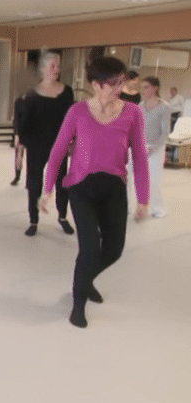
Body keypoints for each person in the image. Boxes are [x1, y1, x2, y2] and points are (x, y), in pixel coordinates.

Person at [39, 56, 149, 329]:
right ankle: (78, 303)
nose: (117, 88)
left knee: (114, 248)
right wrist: (48, 189)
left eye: (120, 82)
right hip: (81, 187)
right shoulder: (77, 112)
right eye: (112, 83)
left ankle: (85, 280)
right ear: (96, 85)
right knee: (89, 247)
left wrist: (144, 198)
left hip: (113, 187)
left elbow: (140, 157)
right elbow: (58, 151)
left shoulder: (133, 113)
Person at [18, 50, 75, 237]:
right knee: (34, 183)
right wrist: (22, 143)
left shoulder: (66, 91)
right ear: (42, 69)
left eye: (58, 66)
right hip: (36, 145)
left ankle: (62, 217)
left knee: (62, 183)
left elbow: (71, 118)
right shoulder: (32, 93)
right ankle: (33, 220)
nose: (57, 69)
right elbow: (24, 120)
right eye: (52, 66)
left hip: (59, 145)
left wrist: (74, 139)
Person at [139, 76, 171, 218]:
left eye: (146, 87)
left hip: (155, 148)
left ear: (155, 88)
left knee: (154, 180)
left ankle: (159, 209)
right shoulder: (140, 106)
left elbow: (165, 133)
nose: (143, 90)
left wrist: (153, 149)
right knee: (127, 177)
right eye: (142, 87)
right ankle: (125, 206)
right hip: (139, 146)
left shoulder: (164, 107)